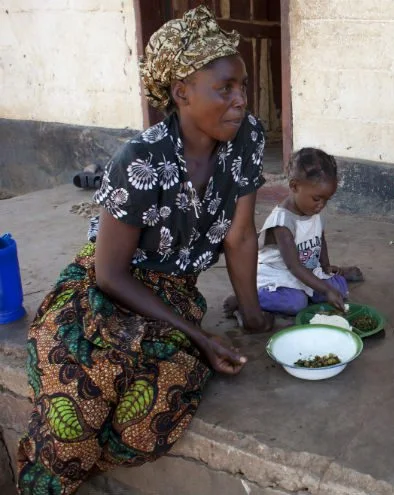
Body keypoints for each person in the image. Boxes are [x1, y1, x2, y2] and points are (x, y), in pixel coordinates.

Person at [16, 6, 273, 493]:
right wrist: (197, 335)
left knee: (144, 424)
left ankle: (79, 466)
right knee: (76, 412)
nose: (241, 100)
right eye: (226, 89)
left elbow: (239, 235)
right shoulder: (141, 160)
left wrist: (252, 313)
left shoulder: (247, 139)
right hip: (102, 294)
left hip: (173, 296)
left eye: (242, 86)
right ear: (181, 93)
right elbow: (110, 273)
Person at [223, 147, 362, 319]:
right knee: (296, 303)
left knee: (338, 289)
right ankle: (246, 300)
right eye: (317, 199)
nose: (321, 205)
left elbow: (320, 237)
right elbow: (293, 267)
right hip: (281, 273)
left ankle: (325, 282)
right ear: (294, 186)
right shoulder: (282, 223)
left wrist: (325, 265)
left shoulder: (314, 210)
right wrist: (325, 289)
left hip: (306, 269)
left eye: (327, 199)